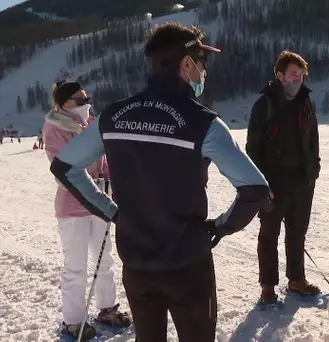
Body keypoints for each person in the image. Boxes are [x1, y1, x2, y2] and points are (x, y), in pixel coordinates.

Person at [49, 23, 269, 341]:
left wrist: (112, 211)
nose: (205, 71)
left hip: (137, 265)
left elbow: (65, 167)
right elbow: (255, 188)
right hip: (188, 266)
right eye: (202, 63)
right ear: (187, 64)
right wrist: (220, 227)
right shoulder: (203, 122)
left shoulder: (113, 116)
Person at [42, 80, 131, 340]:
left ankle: (107, 308)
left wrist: (108, 176)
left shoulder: (90, 124)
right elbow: (63, 171)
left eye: (86, 98)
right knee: (76, 266)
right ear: (63, 103)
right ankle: (73, 321)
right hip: (73, 206)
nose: (86, 104)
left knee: (105, 259)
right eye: (79, 100)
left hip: (100, 202)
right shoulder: (55, 128)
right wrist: (95, 182)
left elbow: (103, 158)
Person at [246, 50, 321, 306]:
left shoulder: (306, 102)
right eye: (293, 75)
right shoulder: (263, 105)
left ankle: (297, 280)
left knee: (297, 231)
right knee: (269, 234)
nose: (298, 79)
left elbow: (313, 138)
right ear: (280, 76)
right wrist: (259, 183)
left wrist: (314, 170)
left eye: (301, 75)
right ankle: (268, 286)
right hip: (272, 181)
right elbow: (252, 147)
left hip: (301, 179)